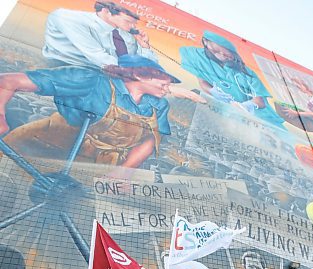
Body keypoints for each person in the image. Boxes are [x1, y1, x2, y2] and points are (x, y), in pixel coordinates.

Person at [0, 56, 180, 169]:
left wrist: (123, 172)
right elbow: (8, 81)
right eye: (164, 84)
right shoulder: (90, 80)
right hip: (39, 147)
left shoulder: (158, 106)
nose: (168, 90)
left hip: (92, 167)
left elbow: (149, 141)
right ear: (140, 76)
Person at [180, 31, 285, 128]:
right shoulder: (198, 57)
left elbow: (260, 101)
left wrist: (247, 106)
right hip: (231, 116)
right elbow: (202, 82)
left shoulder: (247, 73)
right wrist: (212, 91)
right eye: (215, 51)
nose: (221, 56)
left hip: (262, 120)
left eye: (226, 54)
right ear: (205, 42)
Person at [43, 2, 157, 68]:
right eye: (128, 21)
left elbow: (142, 63)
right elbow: (99, 57)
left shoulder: (125, 34)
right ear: (106, 11)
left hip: (104, 72)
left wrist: (144, 47)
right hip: (65, 66)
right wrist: (140, 73)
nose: (133, 26)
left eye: (134, 23)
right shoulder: (72, 20)